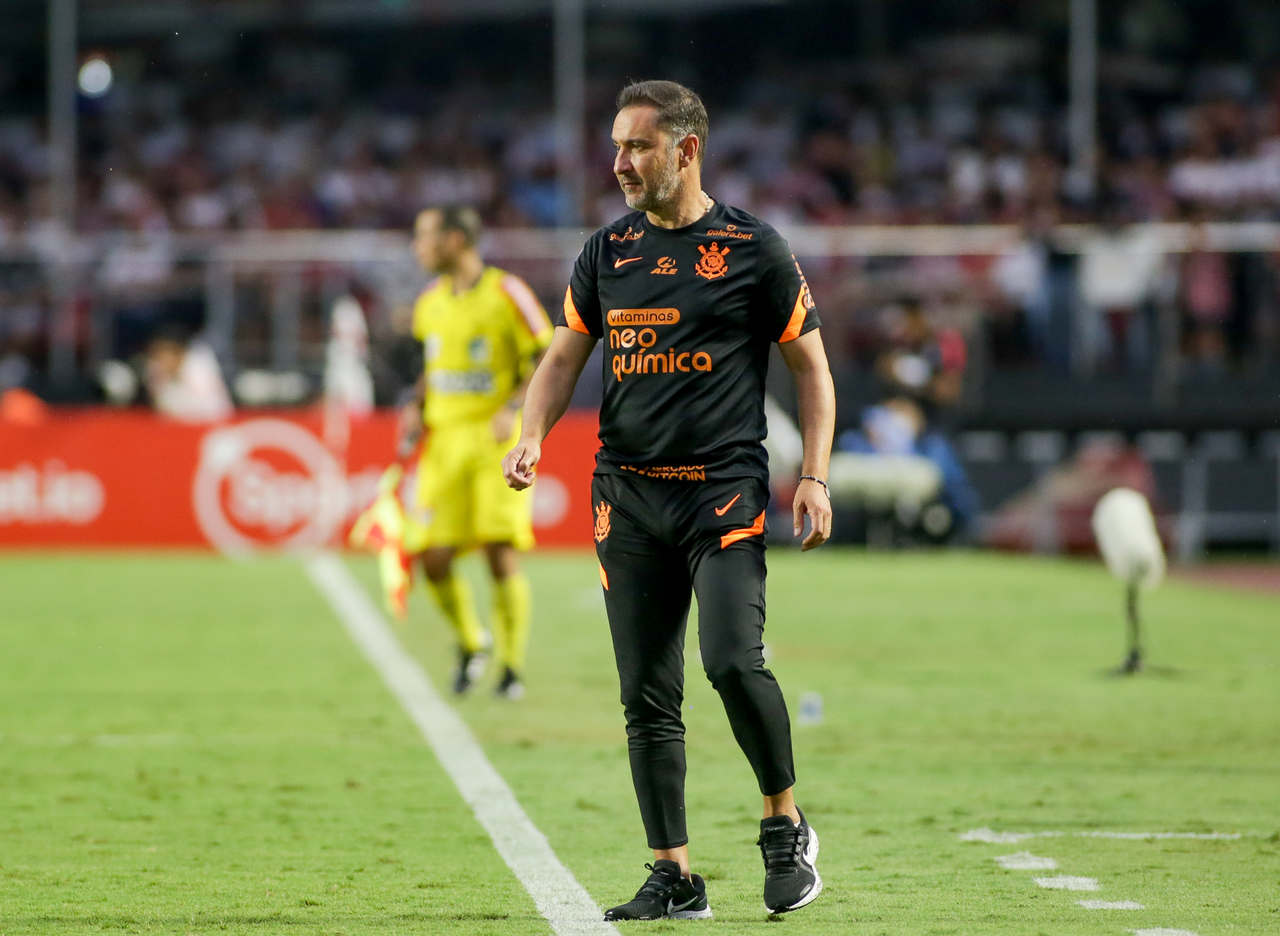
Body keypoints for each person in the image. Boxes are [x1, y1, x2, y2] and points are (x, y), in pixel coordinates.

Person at [502, 80, 835, 919]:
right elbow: (561, 358)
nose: (619, 163)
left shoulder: (755, 250)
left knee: (730, 661)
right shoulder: (606, 253)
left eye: (637, 146)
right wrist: (533, 432)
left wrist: (819, 476)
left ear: (686, 150)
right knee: (647, 697)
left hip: (723, 495)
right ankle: (674, 874)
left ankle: (784, 821)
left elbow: (813, 372)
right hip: (629, 499)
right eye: (615, 146)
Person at [402, 204, 552, 699]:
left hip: (496, 442)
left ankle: (510, 667)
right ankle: (472, 642)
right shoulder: (429, 303)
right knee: (433, 556)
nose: (416, 247)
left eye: (424, 237)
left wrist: (514, 405)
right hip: (444, 443)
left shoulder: (507, 293)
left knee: (498, 553)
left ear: (455, 240)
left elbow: (546, 354)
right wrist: (416, 404)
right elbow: (436, 365)